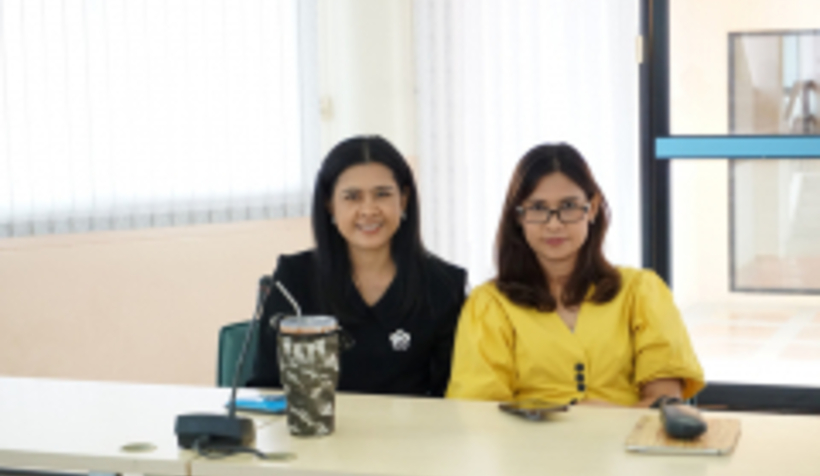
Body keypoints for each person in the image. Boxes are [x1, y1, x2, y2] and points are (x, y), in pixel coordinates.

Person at [447, 143, 704, 407]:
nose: (554, 224)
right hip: (526, 437)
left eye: (568, 206)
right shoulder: (489, 305)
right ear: (518, 217)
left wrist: (609, 420)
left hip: (627, 435)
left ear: (592, 208)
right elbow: (478, 413)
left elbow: (664, 405)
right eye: (538, 208)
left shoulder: (641, 292)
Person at [249, 135, 467, 397]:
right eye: (352, 197)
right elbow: (266, 388)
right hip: (317, 424)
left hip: (412, 425)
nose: (368, 210)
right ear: (329, 204)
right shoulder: (293, 279)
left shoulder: (445, 285)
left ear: (404, 199)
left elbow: (452, 398)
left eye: (382, 194)